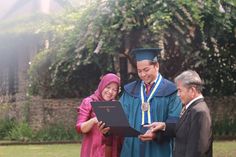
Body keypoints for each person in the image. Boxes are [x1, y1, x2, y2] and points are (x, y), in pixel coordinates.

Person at [119, 48, 182, 157]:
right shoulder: (131, 91)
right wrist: (108, 129)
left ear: (156, 66)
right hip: (133, 147)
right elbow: (119, 117)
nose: (143, 74)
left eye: (146, 70)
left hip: (159, 148)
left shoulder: (171, 91)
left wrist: (157, 135)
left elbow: (175, 122)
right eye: (139, 71)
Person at [145, 70, 213, 157]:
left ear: (192, 90)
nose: (178, 95)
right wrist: (163, 125)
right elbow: (183, 130)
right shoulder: (192, 108)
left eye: (180, 91)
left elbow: (197, 151)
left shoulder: (199, 112)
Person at [76, 73, 122, 157]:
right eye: (108, 87)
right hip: (93, 150)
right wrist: (94, 120)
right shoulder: (89, 102)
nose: (110, 92)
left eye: (114, 90)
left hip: (111, 150)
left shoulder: (115, 105)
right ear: (102, 85)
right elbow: (79, 128)